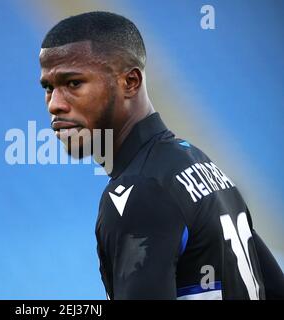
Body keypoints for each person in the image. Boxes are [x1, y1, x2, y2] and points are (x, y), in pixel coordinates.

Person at [38, 11, 284, 299]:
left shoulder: (140, 191)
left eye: (73, 83)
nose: (54, 104)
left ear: (130, 82)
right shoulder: (200, 163)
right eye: (48, 87)